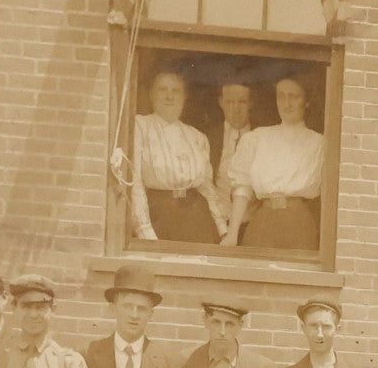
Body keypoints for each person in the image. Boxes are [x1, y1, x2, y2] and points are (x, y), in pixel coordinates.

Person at [225, 77, 324, 250]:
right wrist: (232, 234)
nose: (286, 103)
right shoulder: (258, 138)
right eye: (281, 96)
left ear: (307, 101)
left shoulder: (319, 143)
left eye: (294, 96)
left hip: (299, 222)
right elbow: (242, 188)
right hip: (264, 221)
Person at [131, 70, 226, 243]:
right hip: (159, 216)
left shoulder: (197, 137)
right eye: (162, 89)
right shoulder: (140, 126)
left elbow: (207, 189)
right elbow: (134, 182)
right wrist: (144, 230)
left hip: (197, 217)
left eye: (176, 91)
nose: (169, 96)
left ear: (184, 96)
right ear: (151, 95)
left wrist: (222, 229)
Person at [211, 81, 253, 193]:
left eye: (242, 102)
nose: (236, 109)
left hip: (253, 208)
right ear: (221, 102)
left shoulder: (262, 136)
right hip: (217, 206)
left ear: (251, 103)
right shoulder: (208, 137)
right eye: (229, 102)